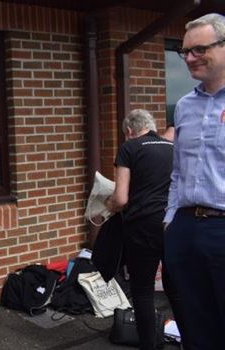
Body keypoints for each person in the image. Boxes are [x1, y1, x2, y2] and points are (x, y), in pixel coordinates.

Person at [163, 13, 225, 349]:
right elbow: (178, 172)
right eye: (183, 51)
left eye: (199, 49)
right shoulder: (184, 107)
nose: (188, 58)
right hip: (185, 230)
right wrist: (169, 221)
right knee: (195, 329)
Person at [105, 109, 181, 350]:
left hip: (143, 226)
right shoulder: (172, 147)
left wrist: (106, 205)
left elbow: (121, 198)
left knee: (143, 289)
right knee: (175, 287)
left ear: (129, 131)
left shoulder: (130, 148)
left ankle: (149, 345)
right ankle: (188, 339)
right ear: (152, 126)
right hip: (174, 223)